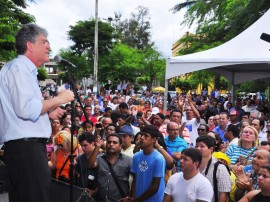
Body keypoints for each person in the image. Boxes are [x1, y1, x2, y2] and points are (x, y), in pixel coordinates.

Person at [0, 24, 74, 202]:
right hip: (26, 150)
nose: (49, 46)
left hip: (23, 149)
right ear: (29, 45)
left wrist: (47, 112)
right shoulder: (19, 68)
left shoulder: (21, 70)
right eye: (44, 41)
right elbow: (26, 108)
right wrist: (59, 99)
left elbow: (21, 108)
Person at [125, 125, 166, 202]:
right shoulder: (137, 156)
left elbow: (155, 187)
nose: (142, 138)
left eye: (146, 136)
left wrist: (136, 201)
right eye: (142, 135)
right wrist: (131, 197)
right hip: (138, 197)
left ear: (154, 140)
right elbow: (135, 179)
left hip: (153, 199)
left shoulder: (158, 158)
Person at [88, 133, 132, 202]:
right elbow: (90, 165)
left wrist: (130, 196)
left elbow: (136, 179)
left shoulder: (128, 160)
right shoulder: (100, 158)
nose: (111, 144)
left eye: (114, 142)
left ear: (120, 146)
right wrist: (97, 147)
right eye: (109, 142)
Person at [196, 135, 232, 202]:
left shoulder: (220, 168)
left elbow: (223, 194)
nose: (198, 148)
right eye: (196, 146)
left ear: (211, 149)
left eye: (202, 146)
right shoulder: (193, 165)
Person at [75, 132, 98, 197]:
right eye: (81, 145)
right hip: (81, 192)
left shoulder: (101, 158)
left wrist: (94, 192)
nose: (82, 148)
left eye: (85, 145)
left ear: (92, 144)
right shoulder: (79, 158)